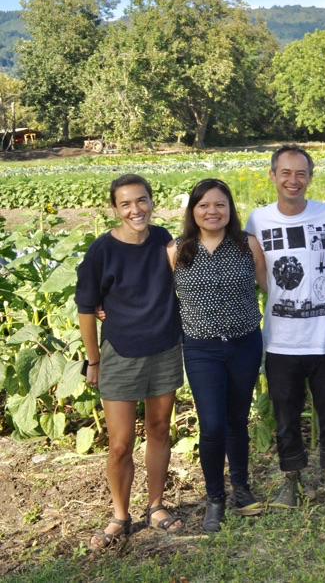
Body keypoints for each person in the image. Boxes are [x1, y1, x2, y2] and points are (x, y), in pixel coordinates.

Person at [76, 174, 185, 548]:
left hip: (165, 348)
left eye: (141, 201)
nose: (135, 209)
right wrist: (93, 360)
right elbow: (86, 309)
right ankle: (120, 515)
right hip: (120, 354)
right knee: (120, 443)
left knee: (158, 430)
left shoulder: (162, 240)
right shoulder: (102, 250)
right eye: (126, 204)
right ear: (115, 209)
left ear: (152, 202)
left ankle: (155, 506)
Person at [244, 144, 325, 511]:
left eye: (301, 173)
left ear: (310, 177)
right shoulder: (257, 220)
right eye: (286, 173)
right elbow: (257, 272)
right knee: (285, 417)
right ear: (273, 176)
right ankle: (291, 480)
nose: (294, 180)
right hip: (282, 341)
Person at [167, 179, 267, 533]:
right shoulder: (178, 249)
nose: (212, 211)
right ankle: (215, 498)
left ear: (230, 209)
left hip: (244, 343)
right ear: (193, 210)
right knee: (211, 424)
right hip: (201, 347)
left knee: (237, 420)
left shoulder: (246, 244)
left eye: (220, 205)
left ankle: (240, 488)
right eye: (204, 205)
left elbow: (269, 286)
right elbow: (161, 298)